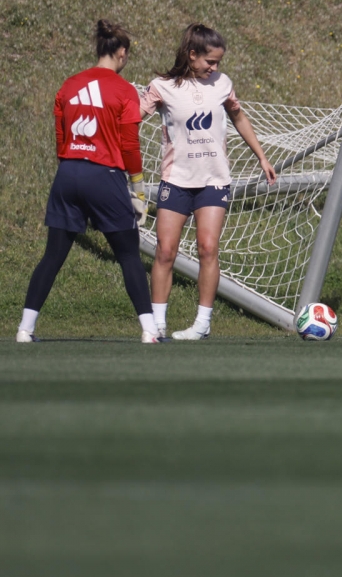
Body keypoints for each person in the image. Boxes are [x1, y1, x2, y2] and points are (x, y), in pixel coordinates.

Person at [17, 20, 160, 344]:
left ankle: (25, 329)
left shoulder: (69, 85)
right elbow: (129, 146)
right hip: (103, 176)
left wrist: (71, 166)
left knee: (52, 256)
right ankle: (150, 331)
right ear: (121, 52)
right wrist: (137, 188)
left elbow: (60, 137)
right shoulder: (124, 90)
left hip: (67, 173)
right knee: (127, 254)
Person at [141, 24, 277, 340]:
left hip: (214, 181)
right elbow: (133, 115)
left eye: (217, 63)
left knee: (208, 248)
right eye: (209, 62)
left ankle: (202, 324)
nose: (214, 68)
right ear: (191, 55)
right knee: (165, 251)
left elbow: (238, 116)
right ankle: (157, 324)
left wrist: (262, 157)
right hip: (176, 181)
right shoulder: (162, 87)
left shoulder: (222, 84)